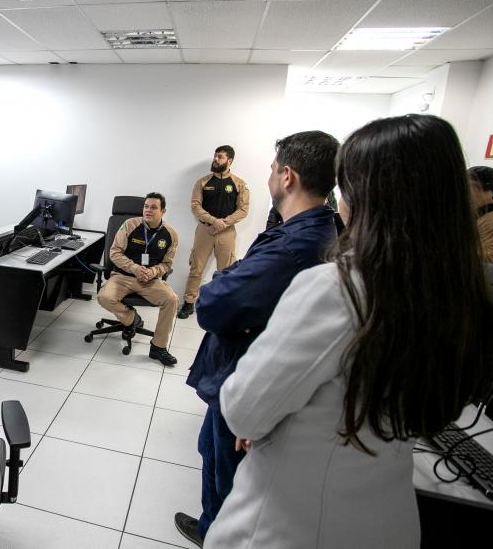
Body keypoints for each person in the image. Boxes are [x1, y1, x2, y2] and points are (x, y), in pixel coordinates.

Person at [204, 114, 493, 548]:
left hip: (295, 522)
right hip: (385, 518)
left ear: (367, 193)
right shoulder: (460, 293)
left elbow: (245, 411)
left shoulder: (339, 288)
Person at [175, 131, 340, 547]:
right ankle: (210, 524)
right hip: (237, 370)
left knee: (229, 471)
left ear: (288, 176)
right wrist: (231, 283)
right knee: (211, 454)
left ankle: (219, 535)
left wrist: (225, 282)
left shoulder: (294, 245)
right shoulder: (311, 231)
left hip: (245, 373)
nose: (268, 174)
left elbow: (212, 305)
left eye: (272, 167)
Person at [97, 192, 180, 366]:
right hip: (123, 276)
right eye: (146, 206)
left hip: (150, 280)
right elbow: (114, 253)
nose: (148, 210)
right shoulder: (129, 225)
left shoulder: (170, 234)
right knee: (104, 297)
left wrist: (154, 271)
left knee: (172, 299)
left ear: (163, 211)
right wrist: (134, 268)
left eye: (153, 207)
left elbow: (167, 264)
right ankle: (132, 319)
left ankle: (158, 347)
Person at [178, 145, 249, 319]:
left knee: (225, 271)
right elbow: (195, 206)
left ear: (229, 161)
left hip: (227, 232)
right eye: (215, 156)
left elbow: (243, 210)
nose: (215, 159)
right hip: (204, 230)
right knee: (196, 268)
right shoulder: (202, 182)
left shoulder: (239, 184)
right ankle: (188, 303)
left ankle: (221, 304)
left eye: (220, 157)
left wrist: (224, 222)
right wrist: (213, 221)